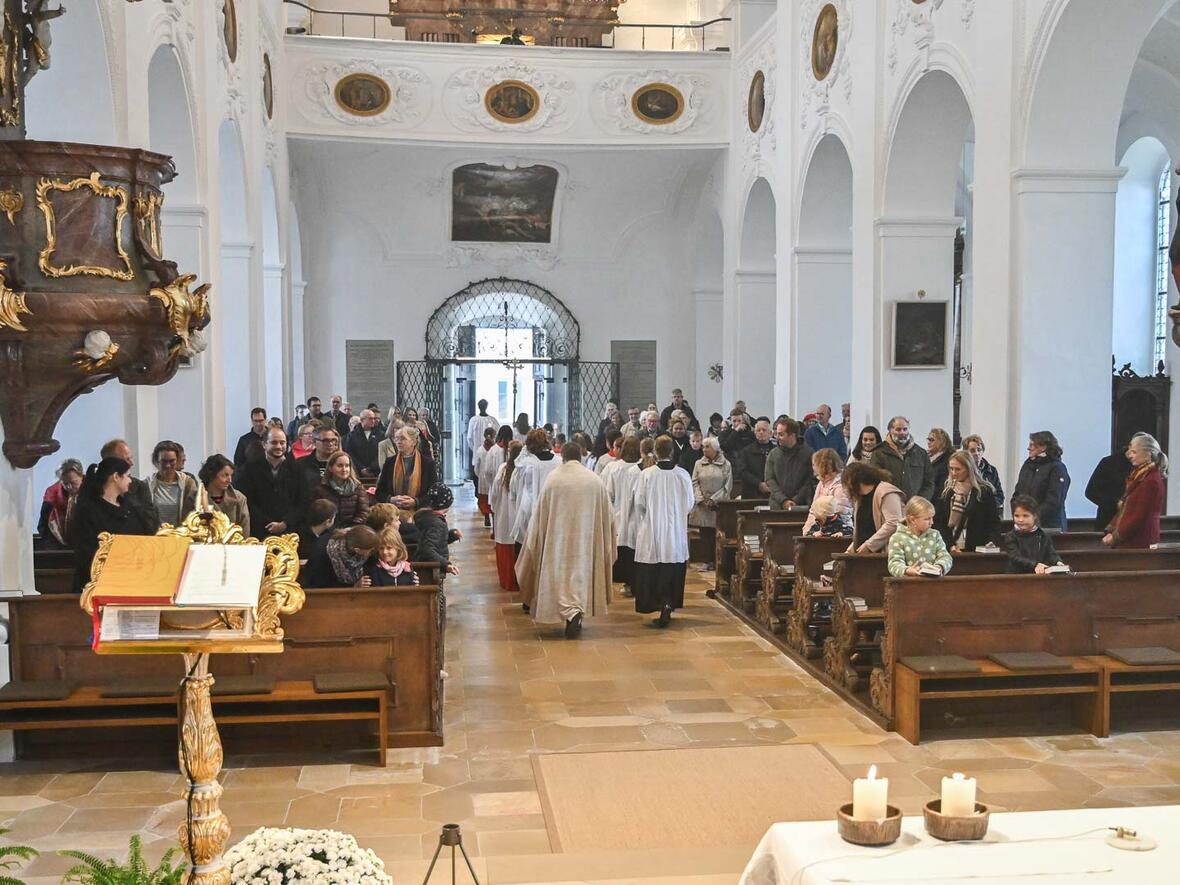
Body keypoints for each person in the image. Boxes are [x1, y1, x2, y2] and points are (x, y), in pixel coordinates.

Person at [515, 442, 615, 639]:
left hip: (557, 542)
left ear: (563, 457)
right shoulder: (594, 481)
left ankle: (568, 611)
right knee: (581, 575)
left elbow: (539, 514)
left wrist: (535, 537)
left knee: (559, 577)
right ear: (581, 457)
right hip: (586, 541)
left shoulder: (554, 480)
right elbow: (609, 516)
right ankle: (576, 610)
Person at [631, 436, 694, 627]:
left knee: (653, 568)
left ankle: (656, 603)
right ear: (672, 452)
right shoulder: (682, 474)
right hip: (675, 532)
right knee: (671, 567)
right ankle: (669, 603)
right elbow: (690, 503)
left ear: (656, 453)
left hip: (652, 530)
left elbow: (640, 503)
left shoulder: (647, 474)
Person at [69, 457, 154, 592]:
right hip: (99, 584)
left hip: (131, 581)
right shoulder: (88, 511)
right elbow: (87, 553)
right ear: (115, 477)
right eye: (127, 476)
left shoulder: (131, 509)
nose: (130, 480)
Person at [237, 428, 306, 541]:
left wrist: (285, 523)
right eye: (274, 442)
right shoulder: (250, 469)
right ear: (264, 444)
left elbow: (303, 500)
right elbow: (247, 500)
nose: (279, 446)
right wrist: (267, 523)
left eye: (282, 443)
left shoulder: (298, 469)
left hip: (290, 531)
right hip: (259, 531)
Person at [1103, 432, 1168, 549]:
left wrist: (1116, 536)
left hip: (1141, 541)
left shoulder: (1151, 480)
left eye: (1134, 452)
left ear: (1148, 454)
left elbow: (1138, 515)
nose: (1129, 455)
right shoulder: (1140, 476)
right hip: (1133, 540)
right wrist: (1111, 530)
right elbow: (1126, 508)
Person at [934, 450, 1000, 551]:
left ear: (969, 469)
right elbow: (940, 523)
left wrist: (991, 541)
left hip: (977, 547)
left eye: (958, 469)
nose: (953, 473)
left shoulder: (983, 492)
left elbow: (993, 522)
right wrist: (950, 544)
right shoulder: (947, 491)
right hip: (951, 546)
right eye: (951, 469)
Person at [602, 437, 644, 596]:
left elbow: (608, 493)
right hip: (637, 516)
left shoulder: (613, 468)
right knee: (634, 550)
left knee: (622, 549)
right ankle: (634, 583)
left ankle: (625, 582)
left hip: (618, 514)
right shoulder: (642, 468)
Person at [509, 428, 561, 551]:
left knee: (524, 554)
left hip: (529, 511)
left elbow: (513, 490)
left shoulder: (525, 463)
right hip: (553, 512)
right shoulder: (559, 462)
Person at [1012, 430, 1070, 530]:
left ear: (1043, 447)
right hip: (1024, 525)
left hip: (1049, 526)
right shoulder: (1028, 465)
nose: (1028, 448)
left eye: (1032, 445)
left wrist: (1033, 516)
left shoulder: (1057, 468)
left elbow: (1054, 500)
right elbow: (1018, 492)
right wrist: (1018, 514)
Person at [843, 462, 905, 554]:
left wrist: (869, 545)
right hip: (865, 554)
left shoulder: (886, 492)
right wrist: (850, 550)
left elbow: (893, 523)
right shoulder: (859, 498)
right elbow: (861, 530)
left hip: (886, 554)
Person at [98, 439, 160, 532]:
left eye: (131, 458)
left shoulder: (139, 487)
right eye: (127, 459)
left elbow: (151, 524)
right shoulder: (95, 489)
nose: (132, 463)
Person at [488, 441, 524, 592]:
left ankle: (507, 581)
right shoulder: (523, 470)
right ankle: (520, 582)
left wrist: (494, 508)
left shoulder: (503, 469)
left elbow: (495, 493)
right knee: (519, 549)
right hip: (520, 516)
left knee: (505, 549)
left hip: (503, 515)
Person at [887, 497, 953, 578]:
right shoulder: (897, 538)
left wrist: (939, 567)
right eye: (927, 519)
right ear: (912, 520)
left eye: (932, 518)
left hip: (933, 584)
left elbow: (945, 556)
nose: (932, 522)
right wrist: (907, 570)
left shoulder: (935, 535)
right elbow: (894, 563)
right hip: (908, 585)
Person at [871, 416, 934, 500]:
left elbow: (929, 483)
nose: (902, 433)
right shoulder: (879, 453)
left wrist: (920, 500)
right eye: (898, 429)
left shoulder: (921, 453)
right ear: (890, 430)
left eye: (905, 429)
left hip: (915, 507)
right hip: (889, 504)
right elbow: (875, 481)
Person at [375, 425, 438, 509]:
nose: (398, 442)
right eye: (396, 438)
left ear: (414, 442)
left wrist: (416, 502)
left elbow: (433, 492)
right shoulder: (390, 462)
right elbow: (380, 492)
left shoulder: (427, 463)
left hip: (420, 510)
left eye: (403, 438)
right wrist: (391, 499)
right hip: (394, 510)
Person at [303, 524, 379, 588]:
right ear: (357, 550)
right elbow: (320, 585)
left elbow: (371, 565)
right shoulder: (322, 554)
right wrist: (353, 586)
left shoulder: (360, 542)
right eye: (370, 550)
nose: (373, 552)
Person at [1004, 494, 1065, 574]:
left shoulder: (1043, 535)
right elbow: (1015, 557)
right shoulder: (1011, 536)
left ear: (1035, 516)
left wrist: (1058, 562)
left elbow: (1051, 553)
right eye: (1017, 516)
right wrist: (1035, 564)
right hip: (1017, 576)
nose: (1020, 520)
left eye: (1025, 516)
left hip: (1038, 574)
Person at [765, 418, 816, 510]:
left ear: (792, 435)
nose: (777, 437)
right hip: (777, 505)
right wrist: (783, 500)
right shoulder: (773, 454)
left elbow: (810, 480)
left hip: (801, 505)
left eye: (781, 434)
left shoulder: (808, 453)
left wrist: (796, 499)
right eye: (776, 433)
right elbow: (769, 479)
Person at [147, 441, 198, 528]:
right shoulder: (147, 484)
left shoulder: (188, 483)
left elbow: (195, 512)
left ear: (177, 460)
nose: (168, 465)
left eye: (172, 461)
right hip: (155, 537)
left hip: (181, 535)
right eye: (164, 461)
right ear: (156, 461)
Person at [801, 448, 852, 534]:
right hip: (819, 528)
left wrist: (824, 530)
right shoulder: (821, 483)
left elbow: (841, 512)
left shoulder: (840, 485)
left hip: (837, 531)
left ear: (822, 465)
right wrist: (807, 529)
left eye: (814, 464)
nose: (813, 467)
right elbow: (814, 509)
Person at [314, 450, 370, 527]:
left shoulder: (358, 488)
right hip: (328, 530)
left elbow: (363, 512)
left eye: (347, 466)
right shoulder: (322, 489)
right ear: (330, 468)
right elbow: (319, 515)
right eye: (340, 466)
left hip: (353, 531)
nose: (344, 469)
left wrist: (350, 529)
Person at [198, 454, 250, 536]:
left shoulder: (239, 498)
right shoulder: (196, 497)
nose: (230, 480)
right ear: (212, 474)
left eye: (231, 475)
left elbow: (244, 529)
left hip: (234, 546)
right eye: (225, 475)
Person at [414, 484, 460, 577]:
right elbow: (428, 549)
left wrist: (452, 535)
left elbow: (435, 540)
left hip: (428, 565)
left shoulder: (425, 515)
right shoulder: (436, 523)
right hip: (430, 569)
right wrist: (445, 564)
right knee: (438, 591)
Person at [38, 458, 83, 548]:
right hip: (57, 545)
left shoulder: (93, 491)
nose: (69, 487)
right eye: (65, 483)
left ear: (81, 476)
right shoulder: (52, 494)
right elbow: (43, 525)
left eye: (73, 482)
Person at [1085, 444, 1132, 529]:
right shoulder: (1109, 463)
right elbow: (1091, 492)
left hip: (1132, 523)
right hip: (1108, 520)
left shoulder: (1143, 468)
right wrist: (1115, 503)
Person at [962, 434, 1005, 518]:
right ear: (966, 452)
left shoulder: (992, 470)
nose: (977, 453)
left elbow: (999, 494)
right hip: (969, 515)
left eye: (979, 450)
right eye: (972, 450)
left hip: (989, 514)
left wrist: (989, 506)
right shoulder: (963, 470)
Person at [296, 425, 341, 498]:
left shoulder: (343, 463)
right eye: (325, 440)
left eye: (333, 440)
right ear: (314, 442)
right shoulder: (300, 464)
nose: (330, 444)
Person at [734, 418, 774, 499]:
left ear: (770, 433)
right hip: (751, 493)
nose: (761, 432)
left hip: (773, 492)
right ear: (755, 433)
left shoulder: (776, 451)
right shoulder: (746, 451)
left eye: (764, 430)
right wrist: (758, 483)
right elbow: (742, 471)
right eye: (758, 430)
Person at [344, 409, 383, 477]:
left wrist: (371, 468)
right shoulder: (352, 435)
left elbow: (381, 453)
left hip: (375, 472)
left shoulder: (380, 434)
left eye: (374, 418)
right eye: (370, 419)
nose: (373, 421)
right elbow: (349, 453)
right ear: (362, 420)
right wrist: (361, 468)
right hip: (357, 472)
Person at [466, 399, 501, 471]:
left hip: (479, 451)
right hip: (491, 452)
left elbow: (469, 438)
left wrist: (475, 449)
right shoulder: (492, 420)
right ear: (486, 406)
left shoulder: (474, 420)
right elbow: (498, 435)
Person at [926, 427, 953, 496]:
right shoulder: (926, 457)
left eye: (932, 440)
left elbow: (943, 485)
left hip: (938, 498)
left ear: (941, 441)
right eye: (928, 439)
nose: (928, 442)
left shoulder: (949, 459)